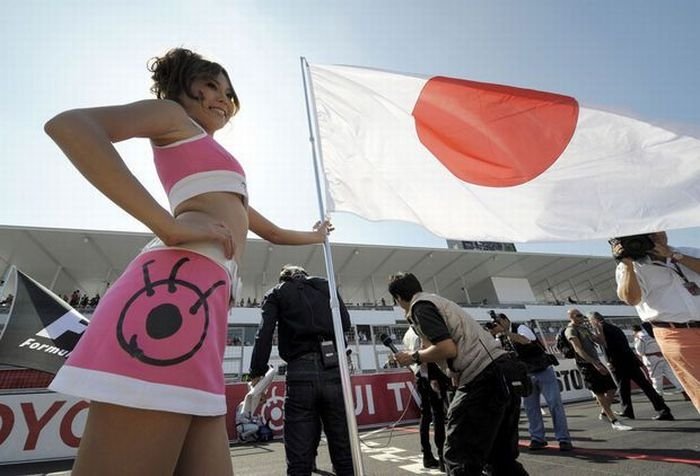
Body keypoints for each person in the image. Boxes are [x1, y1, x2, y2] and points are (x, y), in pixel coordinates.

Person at [45, 48, 332, 475]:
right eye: (211, 84)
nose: (223, 98)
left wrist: (317, 235)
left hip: (206, 315)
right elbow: (69, 126)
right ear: (183, 84)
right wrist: (169, 226)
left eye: (230, 92)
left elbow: (269, 232)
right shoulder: (171, 116)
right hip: (172, 300)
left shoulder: (219, 167)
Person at [389, 272, 528, 476]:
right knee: (501, 460)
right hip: (503, 371)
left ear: (398, 298)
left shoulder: (420, 308)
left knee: (458, 457)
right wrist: (452, 370)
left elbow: (447, 348)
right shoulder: (437, 301)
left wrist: (413, 357)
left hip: (483, 377)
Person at [248, 264, 353, 476]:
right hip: (333, 368)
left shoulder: (277, 292)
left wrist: (256, 372)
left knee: (299, 458)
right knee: (344, 452)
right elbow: (345, 323)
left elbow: (264, 333)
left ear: (283, 278)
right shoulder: (325, 284)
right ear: (305, 274)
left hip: (300, 370)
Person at [613, 231, 700, 411]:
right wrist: (627, 264)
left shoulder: (688, 252)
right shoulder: (631, 267)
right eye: (645, 234)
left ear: (665, 230)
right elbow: (631, 299)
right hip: (676, 334)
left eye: (655, 231)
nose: (652, 237)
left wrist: (674, 256)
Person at [490, 313, 572, 451]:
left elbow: (525, 340)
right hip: (526, 374)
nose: (496, 325)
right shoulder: (501, 337)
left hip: (542, 370)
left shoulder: (520, 327)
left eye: (498, 322)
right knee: (531, 408)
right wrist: (491, 335)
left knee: (554, 404)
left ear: (505, 320)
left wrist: (505, 332)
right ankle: (537, 438)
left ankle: (563, 439)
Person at [588, 312, 673, 420]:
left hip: (619, 362)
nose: (591, 324)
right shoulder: (614, 328)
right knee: (637, 386)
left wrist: (610, 361)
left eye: (590, 321)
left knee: (626, 387)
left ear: (594, 320)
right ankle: (659, 409)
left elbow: (607, 346)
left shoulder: (601, 328)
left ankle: (632, 410)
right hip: (629, 360)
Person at [565, 309, 632, 431]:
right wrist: (594, 363)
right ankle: (614, 421)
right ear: (571, 317)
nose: (582, 317)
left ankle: (604, 413)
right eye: (579, 315)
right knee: (599, 392)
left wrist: (599, 329)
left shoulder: (583, 329)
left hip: (596, 361)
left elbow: (601, 341)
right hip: (586, 364)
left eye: (582, 315)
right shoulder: (571, 330)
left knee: (612, 388)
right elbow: (578, 349)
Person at [402, 326, 449, 470]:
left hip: (420, 377)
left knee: (426, 416)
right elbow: (427, 355)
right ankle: (442, 457)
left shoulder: (407, 335)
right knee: (438, 416)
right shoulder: (420, 331)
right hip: (431, 376)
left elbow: (409, 359)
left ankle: (427, 455)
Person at [632, 323, 689, 398]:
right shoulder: (655, 332)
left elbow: (640, 351)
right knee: (672, 375)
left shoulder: (640, 337)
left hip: (651, 359)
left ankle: (659, 396)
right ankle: (685, 392)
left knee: (656, 378)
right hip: (663, 356)